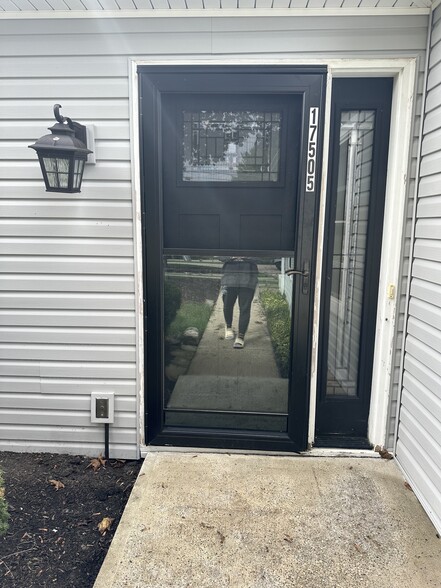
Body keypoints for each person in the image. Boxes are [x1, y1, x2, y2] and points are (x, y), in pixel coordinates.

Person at [221, 257, 258, 349]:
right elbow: (219, 255)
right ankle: (228, 327)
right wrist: (230, 257)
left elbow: (260, 256)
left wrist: (246, 257)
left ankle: (241, 336)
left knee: (245, 308)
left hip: (248, 277)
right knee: (227, 305)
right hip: (229, 277)